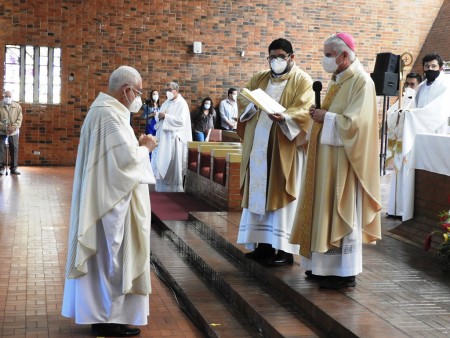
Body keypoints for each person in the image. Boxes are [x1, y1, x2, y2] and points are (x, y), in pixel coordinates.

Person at [61, 65, 158, 337]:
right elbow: (124, 163)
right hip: (111, 205)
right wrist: (146, 147)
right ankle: (108, 318)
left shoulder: (107, 112)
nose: (139, 97)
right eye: (138, 92)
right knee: (110, 260)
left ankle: (102, 315)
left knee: (105, 261)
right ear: (126, 90)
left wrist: (137, 147)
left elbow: (118, 157)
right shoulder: (109, 116)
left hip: (106, 199)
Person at [290, 33, 382, 289]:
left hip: (343, 163)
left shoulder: (361, 81)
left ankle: (342, 271)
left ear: (344, 55)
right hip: (324, 160)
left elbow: (357, 124)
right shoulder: (339, 80)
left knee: (337, 209)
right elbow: (331, 115)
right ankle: (320, 267)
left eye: (329, 54)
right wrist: (317, 115)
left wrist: (326, 117)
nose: (325, 59)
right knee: (320, 208)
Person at [236, 38, 314, 266]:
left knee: (281, 198)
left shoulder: (302, 80)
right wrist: (253, 105)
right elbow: (244, 98)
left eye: (281, 57)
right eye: (272, 57)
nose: (276, 61)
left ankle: (284, 251)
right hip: (259, 150)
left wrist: (285, 118)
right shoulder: (260, 78)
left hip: (283, 150)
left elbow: (305, 110)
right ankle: (262, 246)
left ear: (291, 57)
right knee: (258, 197)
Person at [387, 53, 450, 220]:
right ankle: (402, 208)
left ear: (441, 68)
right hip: (416, 133)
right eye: (427, 66)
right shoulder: (422, 86)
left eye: (433, 67)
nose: (430, 69)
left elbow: (437, 112)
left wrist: (411, 116)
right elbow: (410, 104)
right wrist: (399, 112)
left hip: (434, 134)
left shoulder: (445, 84)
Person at [386, 72, 422, 218]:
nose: (409, 87)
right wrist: (397, 114)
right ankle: (394, 209)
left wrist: (406, 115)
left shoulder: (419, 100)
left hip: (409, 145)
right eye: (407, 84)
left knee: (406, 176)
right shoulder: (403, 98)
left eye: (412, 84)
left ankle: (403, 209)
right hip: (399, 143)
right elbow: (390, 113)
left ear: (419, 85)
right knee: (396, 175)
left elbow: (418, 118)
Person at [151, 82, 192, 192]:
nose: (168, 92)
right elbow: (159, 114)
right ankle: (162, 187)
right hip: (164, 138)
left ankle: (173, 189)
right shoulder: (166, 102)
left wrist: (166, 116)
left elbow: (181, 121)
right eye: (167, 89)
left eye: (170, 89)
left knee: (172, 164)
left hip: (174, 139)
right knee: (162, 161)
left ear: (176, 91)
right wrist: (159, 116)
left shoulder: (181, 104)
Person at [0, 90, 23, 175]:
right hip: (1, 131)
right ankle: (0, 168)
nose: (8, 98)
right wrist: (4, 127)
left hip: (13, 132)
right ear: (3, 96)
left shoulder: (17, 106)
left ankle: (14, 168)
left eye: (9, 96)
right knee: (0, 149)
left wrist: (13, 127)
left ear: (12, 97)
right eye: (6, 96)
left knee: (14, 149)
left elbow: (19, 119)